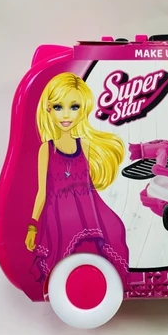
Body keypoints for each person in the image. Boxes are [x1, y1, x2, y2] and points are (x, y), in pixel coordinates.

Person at [25, 72, 129, 284]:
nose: (66, 115)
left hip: (88, 215)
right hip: (58, 217)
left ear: (83, 109)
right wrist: (33, 226)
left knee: (104, 244)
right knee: (62, 265)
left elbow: (89, 188)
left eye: (74, 107)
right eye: (58, 107)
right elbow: (42, 192)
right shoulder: (47, 149)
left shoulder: (86, 145)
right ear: (48, 109)